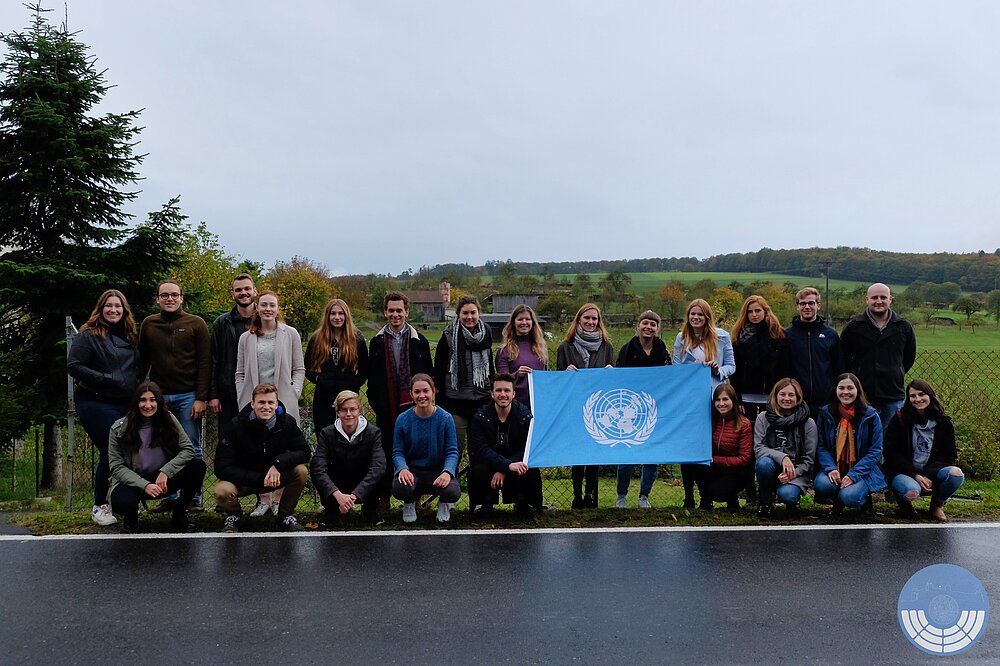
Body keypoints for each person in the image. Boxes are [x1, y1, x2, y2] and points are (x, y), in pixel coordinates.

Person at [68, 289, 143, 527]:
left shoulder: (131, 336)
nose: (113, 310)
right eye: (108, 306)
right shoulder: (88, 335)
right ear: (100, 309)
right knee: (110, 451)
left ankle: (125, 502)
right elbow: (74, 365)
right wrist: (106, 378)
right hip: (95, 401)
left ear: (124, 310)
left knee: (130, 451)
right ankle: (100, 505)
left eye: (118, 306)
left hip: (126, 402)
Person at [137, 279, 211, 511]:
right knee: (165, 448)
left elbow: (205, 362)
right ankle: (170, 496)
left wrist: (201, 397)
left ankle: (194, 498)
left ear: (181, 298)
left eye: (174, 295)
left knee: (191, 447)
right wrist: (142, 393)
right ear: (157, 299)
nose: (170, 298)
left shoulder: (196, 323)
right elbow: (142, 361)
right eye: (165, 295)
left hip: (189, 396)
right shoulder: (149, 324)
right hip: (158, 398)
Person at [234, 291, 306, 516]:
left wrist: (293, 392)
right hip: (256, 403)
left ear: (277, 308)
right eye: (264, 305)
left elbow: (299, 368)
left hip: (282, 400)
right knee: (258, 450)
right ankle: (264, 499)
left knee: (282, 448)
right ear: (257, 307)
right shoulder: (246, 338)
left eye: (272, 305)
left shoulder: (290, 334)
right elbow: (240, 372)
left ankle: (280, 500)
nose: (268, 309)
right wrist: (243, 396)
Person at [107, 381, 206, 533]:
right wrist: (144, 484)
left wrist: (166, 471)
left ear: (159, 402)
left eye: (152, 400)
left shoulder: (169, 420)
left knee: (197, 466)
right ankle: (131, 519)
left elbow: (188, 449)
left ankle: (180, 513)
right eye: (143, 400)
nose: (148, 405)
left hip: (162, 479)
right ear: (136, 403)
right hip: (133, 481)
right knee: (123, 502)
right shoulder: (118, 428)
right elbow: (116, 467)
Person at [214, 383, 311, 532]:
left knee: (301, 471)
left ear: (276, 404)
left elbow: (304, 452)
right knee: (222, 490)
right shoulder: (235, 426)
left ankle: (285, 516)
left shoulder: (287, 422)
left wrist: (278, 463)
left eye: (271, 402)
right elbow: (221, 467)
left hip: (275, 477)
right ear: (253, 404)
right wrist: (259, 479)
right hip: (246, 480)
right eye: (261, 402)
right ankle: (235, 516)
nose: (266, 407)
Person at [368, 292, 433, 507]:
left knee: (415, 450)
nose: (395, 314)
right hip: (386, 407)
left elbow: (428, 375)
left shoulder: (419, 341)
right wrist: (377, 404)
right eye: (391, 310)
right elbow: (372, 377)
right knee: (385, 450)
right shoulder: (376, 342)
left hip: (414, 407)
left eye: (399, 310)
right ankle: (384, 497)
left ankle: (414, 498)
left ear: (407, 312)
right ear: (385, 312)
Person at [673, 299, 735, 508]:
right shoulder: (681, 338)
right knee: (688, 449)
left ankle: (707, 496)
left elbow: (731, 366)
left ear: (707, 317)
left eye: (700, 314)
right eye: (693, 314)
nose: (696, 318)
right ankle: (688, 497)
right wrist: (692, 367)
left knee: (709, 448)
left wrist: (718, 370)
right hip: (690, 401)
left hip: (714, 398)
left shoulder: (722, 336)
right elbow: (676, 369)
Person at [730, 294, 789, 506]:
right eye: (750, 311)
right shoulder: (738, 338)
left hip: (771, 399)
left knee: (772, 444)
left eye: (758, 310)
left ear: (765, 311)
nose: (754, 315)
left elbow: (784, 368)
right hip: (746, 400)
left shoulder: (778, 336)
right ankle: (750, 493)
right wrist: (737, 399)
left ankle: (770, 491)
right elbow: (735, 373)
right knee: (747, 446)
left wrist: (780, 397)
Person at [556, 303, 615, 509]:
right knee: (577, 453)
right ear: (579, 319)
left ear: (599, 322)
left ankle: (590, 494)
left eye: (594, 319)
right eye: (587, 318)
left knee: (593, 452)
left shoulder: (607, 346)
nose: (590, 322)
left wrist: (611, 372)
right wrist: (565, 373)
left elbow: (612, 383)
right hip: (575, 407)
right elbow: (558, 381)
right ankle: (577, 495)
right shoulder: (565, 346)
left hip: (598, 409)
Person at [883, 379, 965, 522]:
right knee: (912, 491)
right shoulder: (899, 419)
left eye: (922, 394)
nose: (918, 399)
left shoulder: (944, 423)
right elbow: (891, 453)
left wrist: (927, 474)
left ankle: (937, 505)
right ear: (908, 399)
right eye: (913, 396)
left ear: (930, 395)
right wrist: (915, 474)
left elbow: (949, 455)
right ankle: (904, 505)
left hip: (931, 472)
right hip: (904, 472)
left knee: (956, 474)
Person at [614, 310, 670, 509]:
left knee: (652, 456)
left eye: (653, 324)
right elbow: (618, 379)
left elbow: (670, 377)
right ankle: (621, 495)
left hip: (655, 409)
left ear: (658, 328)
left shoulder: (662, 350)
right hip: (630, 410)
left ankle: (644, 496)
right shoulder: (627, 349)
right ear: (638, 326)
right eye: (645, 323)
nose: (648, 327)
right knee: (627, 455)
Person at [840, 283, 917, 429]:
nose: (879, 301)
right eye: (874, 297)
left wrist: (895, 372)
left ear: (890, 300)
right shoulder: (854, 327)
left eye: (883, 297)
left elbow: (909, 358)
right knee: (862, 437)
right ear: (867, 300)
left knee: (891, 438)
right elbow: (844, 358)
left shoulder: (903, 327)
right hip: (861, 395)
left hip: (892, 394)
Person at [468, 373, 542, 516]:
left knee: (528, 468)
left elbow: (526, 448)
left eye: (507, 390)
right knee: (478, 469)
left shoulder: (525, 416)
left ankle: (524, 503)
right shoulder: (480, 417)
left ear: (513, 394)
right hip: (490, 464)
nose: (503, 394)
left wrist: (506, 468)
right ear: (492, 394)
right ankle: (484, 503)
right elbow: (481, 449)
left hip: (515, 461)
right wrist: (505, 466)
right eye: (499, 390)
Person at [813, 373, 886, 517]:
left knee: (850, 497)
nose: (845, 392)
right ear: (835, 390)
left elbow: (875, 451)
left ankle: (864, 502)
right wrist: (830, 468)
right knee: (822, 484)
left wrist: (854, 475)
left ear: (858, 390)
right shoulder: (826, 414)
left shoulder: (871, 415)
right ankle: (837, 502)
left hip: (863, 470)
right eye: (841, 388)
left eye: (850, 388)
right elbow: (821, 446)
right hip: (835, 466)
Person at [391, 374, 461, 524]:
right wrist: (403, 468)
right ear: (411, 394)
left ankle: (444, 504)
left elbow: (452, 451)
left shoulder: (446, 418)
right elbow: (397, 451)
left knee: (452, 491)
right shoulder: (402, 419)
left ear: (433, 392)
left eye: (426, 391)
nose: (421, 395)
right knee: (400, 488)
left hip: (437, 471)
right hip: (413, 472)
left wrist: (447, 472)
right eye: (417, 392)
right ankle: (409, 503)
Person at [311, 390, 386, 527]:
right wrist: (336, 494)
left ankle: (370, 510)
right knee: (316, 469)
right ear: (337, 412)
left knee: (379, 470)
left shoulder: (373, 432)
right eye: (344, 410)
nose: (348, 414)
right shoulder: (326, 433)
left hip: (362, 481)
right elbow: (318, 466)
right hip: (338, 482)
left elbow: (378, 465)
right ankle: (331, 511)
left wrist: (356, 495)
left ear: (359, 410)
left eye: (353, 409)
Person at [434, 295, 494, 460]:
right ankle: (451, 477)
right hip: (456, 404)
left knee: (479, 452)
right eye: (465, 313)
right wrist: (442, 402)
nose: (469, 317)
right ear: (458, 314)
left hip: (481, 402)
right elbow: (439, 371)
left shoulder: (486, 334)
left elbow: (490, 368)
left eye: (473, 312)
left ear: (479, 313)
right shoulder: (448, 336)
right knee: (455, 450)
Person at [753, 378, 817, 517]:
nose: (786, 398)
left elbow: (809, 459)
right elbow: (759, 448)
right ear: (775, 396)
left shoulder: (809, 423)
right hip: (771, 467)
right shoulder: (763, 418)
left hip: (797, 470)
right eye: (782, 394)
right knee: (763, 463)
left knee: (788, 495)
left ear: (798, 397)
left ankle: (792, 501)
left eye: (791, 395)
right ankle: (765, 503)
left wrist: (793, 473)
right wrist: (783, 457)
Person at [305, 298, 369, 435]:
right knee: (324, 434)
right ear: (327, 316)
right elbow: (307, 368)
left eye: (341, 313)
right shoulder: (317, 339)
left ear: (346, 315)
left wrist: (354, 383)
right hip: (323, 395)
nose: (337, 317)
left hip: (349, 396)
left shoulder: (356, 339)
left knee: (349, 433)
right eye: (333, 313)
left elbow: (364, 369)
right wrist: (319, 380)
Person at [209, 273, 257, 448]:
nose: (243, 293)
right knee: (227, 442)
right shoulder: (221, 323)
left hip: (259, 393)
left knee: (255, 442)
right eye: (238, 290)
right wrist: (213, 395)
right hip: (228, 394)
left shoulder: (267, 319)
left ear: (255, 291)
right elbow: (214, 360)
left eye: (247, 288)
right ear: (232, 294)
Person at [692, 384, 753, 511]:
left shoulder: (744, 424)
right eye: (718, 400)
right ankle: (705, 501)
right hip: (714, 468)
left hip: (735, 472)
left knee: (717, 492)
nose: (721, 403)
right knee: (692, 464)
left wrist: (714, 459)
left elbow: (744, 459)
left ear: (733, 401)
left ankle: (731, 498)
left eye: (725, 399)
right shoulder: (710, 421)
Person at [784, 287, 843, 414]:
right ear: (797, 307)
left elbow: (838, 368)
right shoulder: (787, 335)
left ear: (818, 306)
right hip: (796, 402)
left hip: (826, 402)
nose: (807, 307)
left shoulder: (831, 335)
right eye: (803, 303)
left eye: (811, 303)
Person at [495, 304, 548, 406]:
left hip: (539, 402)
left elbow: (546, 377)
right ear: (514, 323)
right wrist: (517, 374)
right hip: (516, 404)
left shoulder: (541, 349)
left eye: (527, 319)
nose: (524, 322)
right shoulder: (504, 351)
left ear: (532, 322)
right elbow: (502, 382)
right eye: (520, 319)